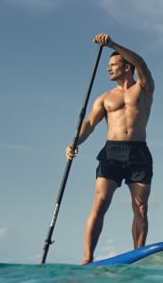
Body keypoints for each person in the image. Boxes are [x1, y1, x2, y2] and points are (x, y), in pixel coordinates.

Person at [65, 33, 154, 264]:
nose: (108, 69)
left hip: (138, 152)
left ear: (126, 67)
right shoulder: (105, 98)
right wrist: (75, 143)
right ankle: (87, 259)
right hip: (111, 153)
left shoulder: (143, 88)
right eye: (107, 66)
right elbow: (90, 124)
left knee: (140, 208)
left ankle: (138, 256)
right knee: (101, 201)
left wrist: (112, 45)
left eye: (113, 64)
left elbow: (141, 62)